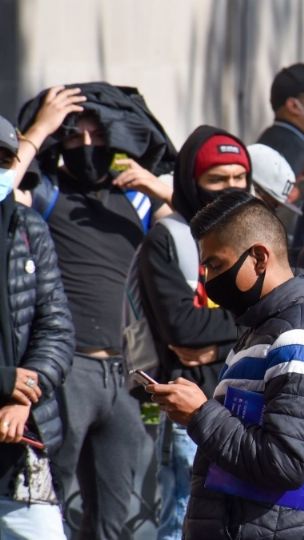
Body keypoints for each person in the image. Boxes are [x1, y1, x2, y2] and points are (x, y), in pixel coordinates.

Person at [18, 82, 176, 540]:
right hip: (67, 374)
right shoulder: (45, 194)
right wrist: (42, 125)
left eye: (98, 135)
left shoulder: (139, 199)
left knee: (116, 522)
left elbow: (211, 221)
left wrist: (155, 183)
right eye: (73, 136)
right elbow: (4, 187)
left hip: (127, 379)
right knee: (47, 510)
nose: (87, 146)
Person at [148, 190, 304, 538]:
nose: (209, 279)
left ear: (258, 257)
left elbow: (287, 462)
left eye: (216, 264)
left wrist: (200, 415)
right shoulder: (264, 330)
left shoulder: (298, 339)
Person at [137, 126, 250, 540]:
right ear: (191, 182)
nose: (231, 189)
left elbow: (276, 316)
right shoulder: (167, 239)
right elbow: (182, 327)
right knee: (184, 519)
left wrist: (217, 346)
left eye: (239, 178)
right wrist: (242, 325)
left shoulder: (257, 238)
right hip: (190, 413)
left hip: (249, 412)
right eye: (217, 179)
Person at [0, 115, 73, 539]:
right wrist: (7, 381)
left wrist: (24, 395)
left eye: (4, 159)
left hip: (20, 456)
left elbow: (58, 329)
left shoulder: (29, 229)